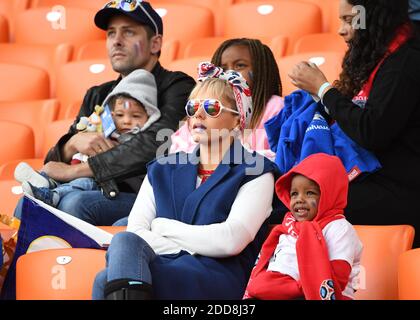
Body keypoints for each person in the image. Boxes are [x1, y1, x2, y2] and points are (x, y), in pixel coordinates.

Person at [92, 64, 278, 300]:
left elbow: (231, 240)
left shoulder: (256, 170)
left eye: (211, 107)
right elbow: (136, 232)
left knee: (110, 275)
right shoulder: (162, 168)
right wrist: (193, 247)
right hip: (165, 266)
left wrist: (164, 228)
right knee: (122, 246)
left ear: (237, 120)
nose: (198, 115)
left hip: (218, 279)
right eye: (193, 107)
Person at [13, 1, 196, 225]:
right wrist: (71, 145)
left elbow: (159, 142)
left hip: (146, 197)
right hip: (90, 189)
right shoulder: (98, 94)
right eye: (111, 33)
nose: (116, 41)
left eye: (128, 32)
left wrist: (76, 172)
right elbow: (55, 164)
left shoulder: (178, 86)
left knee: (75, 204)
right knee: (29, 202)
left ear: (155, 43)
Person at [288, 0, 420, 248]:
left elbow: (371, 131)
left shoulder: (405, 63)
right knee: (288, 199)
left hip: (401, 192)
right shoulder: (379, 60)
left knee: (297, 206)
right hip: (374, 182)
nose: (340, 29)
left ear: (373, 20)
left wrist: (324, 89)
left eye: (349, 20)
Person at [15, 69, 159, 208]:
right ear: (112, 115)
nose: (127, 121)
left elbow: (130, 162)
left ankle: (53, 194)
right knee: (26, 202)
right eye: (120, 115)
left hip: (105, 185)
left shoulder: (141, 142)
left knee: (81, 187)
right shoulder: (104, 132)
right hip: (80, 174)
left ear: (149, 116)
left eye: (136, 116)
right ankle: (45, 183)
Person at [243, 153, 363, 300]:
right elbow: (273, 264)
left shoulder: (339, 228)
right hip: (278, 292)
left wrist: (296, 289)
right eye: (294, 193)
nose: (299, 199)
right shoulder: (288, 225)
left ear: (330, 194)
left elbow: (338, 278)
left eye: (310, 193)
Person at [170, 38, 283, 159]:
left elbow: (278, 157)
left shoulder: (276, 107)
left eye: (240, 66)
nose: (229, 74)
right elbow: (177, 156)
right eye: (222, 69)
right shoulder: (199, 112)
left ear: (261, 70)